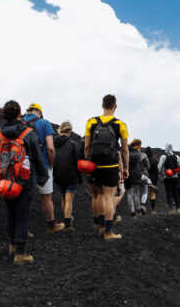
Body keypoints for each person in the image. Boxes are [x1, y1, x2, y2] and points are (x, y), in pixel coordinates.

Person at [0, 100, 49, 265]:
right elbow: (38, 157)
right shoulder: (28, 133)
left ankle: (12, 245)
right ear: (20, 114)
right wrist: (42, 178)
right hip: (26, 177)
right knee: (23, 213)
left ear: (3, 115)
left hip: (6, 178)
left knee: (11, 211)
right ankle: (20, 253)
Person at [83, 94, 129, 240]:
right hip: (111, 165)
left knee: (97, 194)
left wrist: (87, 163)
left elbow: (87, 146)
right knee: (109, 197)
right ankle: (108, 231)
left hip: (95, 164)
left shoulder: (91, 122)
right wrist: (125, 169)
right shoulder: (120, 124)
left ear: (103, 105)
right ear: (114, 106)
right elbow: (125, 149)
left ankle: (99, 224)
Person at [23, 103, 64, 233]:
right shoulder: (44, 123)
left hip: (22, 164)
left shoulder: (19, 122)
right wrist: (50, 164)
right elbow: (50, 148)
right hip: (42, 165)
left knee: (23, 197)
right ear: (40, 112)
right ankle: (51, 225)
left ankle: (23, 229)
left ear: (28, 111)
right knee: (46, 197)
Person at [52, 120, 82, 231]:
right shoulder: (73, 144)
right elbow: (77, 161)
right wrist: (79, 176)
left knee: (63, 198)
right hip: (71, 175)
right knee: (69, 199)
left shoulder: (54, 144)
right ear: (70, 131)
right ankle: (68, 224)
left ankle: (66, 218)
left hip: (58, 175)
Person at [157, 144, 180, 212]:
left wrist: (158, 174)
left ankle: (171, 209)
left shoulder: (163, 157)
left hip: (167, 178)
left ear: (166, 148)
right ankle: (178, 209)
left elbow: (159, 167)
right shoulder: (177, 157)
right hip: (175, 178)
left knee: (169, 193)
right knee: (175, 192)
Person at [145, 147, 159, 213]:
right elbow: (156, 172)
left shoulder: (144, 160)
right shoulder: (155, 161)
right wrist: (156, 180)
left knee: (144, 194)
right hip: (152, 180)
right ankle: (153, 210)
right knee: (152, 194)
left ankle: (143, 209)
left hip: (145, 178)